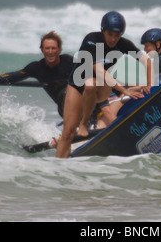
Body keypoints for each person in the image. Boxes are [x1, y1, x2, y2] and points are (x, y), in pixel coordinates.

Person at [55, 11, 154, 158]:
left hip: (101, 88)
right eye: (110, 34)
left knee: (92, 84)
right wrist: (123, 90)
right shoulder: (92, 40)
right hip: (77, 85)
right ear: (103, 31)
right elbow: (98, 70)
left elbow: (146, 61)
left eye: (117, 35)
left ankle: (84, 123)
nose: (113, 39)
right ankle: (59, 166)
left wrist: (148, 84)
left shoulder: (123, 44)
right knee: (68, 132)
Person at [0, 31, 73, 118]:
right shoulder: (36, 67)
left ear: (59, 49)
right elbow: (14, 76)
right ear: (42, 50)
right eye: (47, 48)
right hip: (65, 109)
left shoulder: (68, 61)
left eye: (53, 48)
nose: (50, 52)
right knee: (66, 92)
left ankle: (84, 124)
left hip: (81, 104)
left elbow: (86, 72)